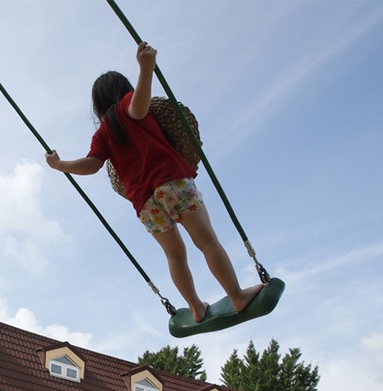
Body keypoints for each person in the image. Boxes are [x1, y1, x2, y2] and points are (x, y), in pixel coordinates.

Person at [45, 42, 262, 323]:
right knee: (207, 241)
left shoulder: (102, 134)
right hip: (171, 183)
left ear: (97, 104)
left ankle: (195, 307)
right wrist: (146, 69)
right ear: (122, 90)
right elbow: (137, 108)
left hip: (145, 204)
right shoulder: (126, 107)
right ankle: (237, 296)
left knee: (175, 256)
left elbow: (93, 165)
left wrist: (60, 165)